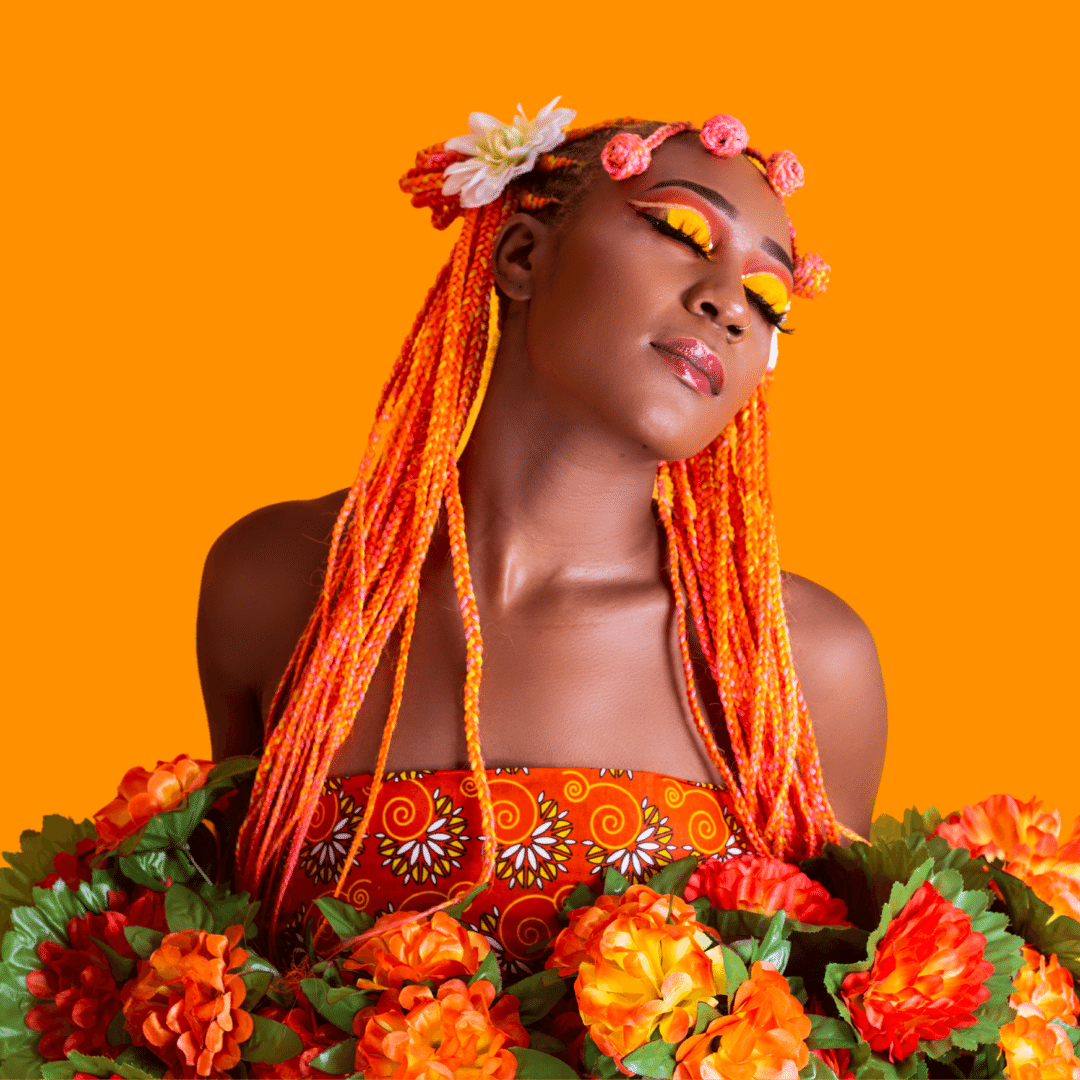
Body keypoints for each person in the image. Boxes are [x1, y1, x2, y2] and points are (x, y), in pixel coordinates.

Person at [196, 101, 888, 968]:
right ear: (521, 256)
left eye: (769, 297)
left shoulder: (802, 667)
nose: (729, 305)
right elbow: (214, 965)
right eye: (681, 231)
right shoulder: (276, 583)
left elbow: (831, 1025)